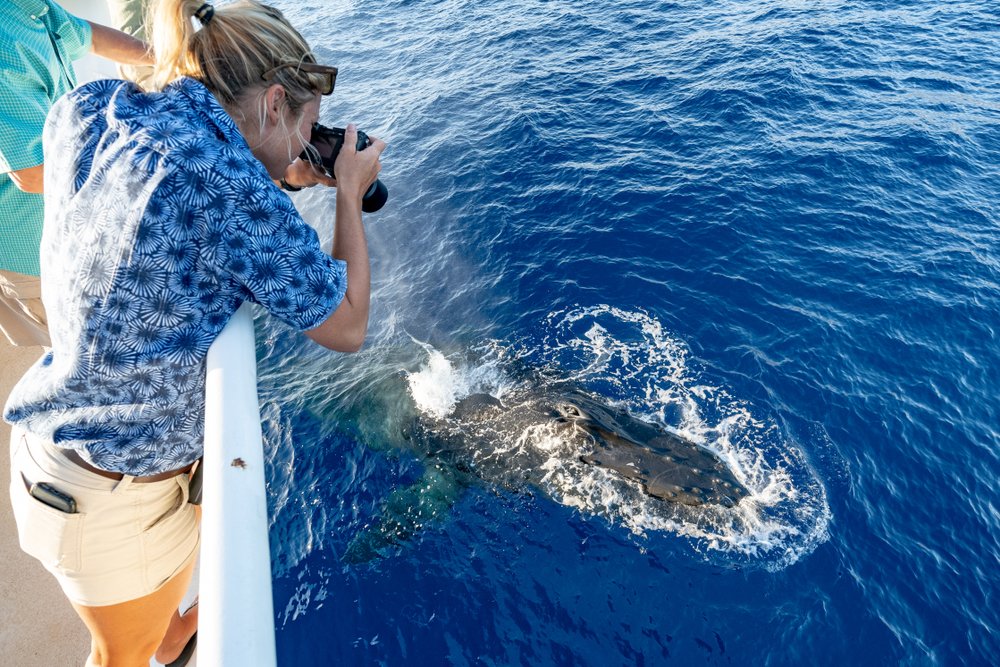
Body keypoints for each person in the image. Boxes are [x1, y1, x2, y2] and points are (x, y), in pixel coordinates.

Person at [3, 0, 384, 664]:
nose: (307, 145)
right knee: (119, 657)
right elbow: (348, 325)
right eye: (307, 126)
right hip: (108, 505)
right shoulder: (227, 189)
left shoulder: (93, 107)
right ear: (272, 104)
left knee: (157, 634)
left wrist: (279, 166)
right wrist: (347, 191)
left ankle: (173, 637)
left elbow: (185, 186)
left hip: (56, 452)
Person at [0, 0, 151, 348]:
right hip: (31, 249)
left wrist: (167, 56)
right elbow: (34, 174)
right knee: (91, 359)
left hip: (74, 224)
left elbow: (91, 38)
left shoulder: (27, 6)